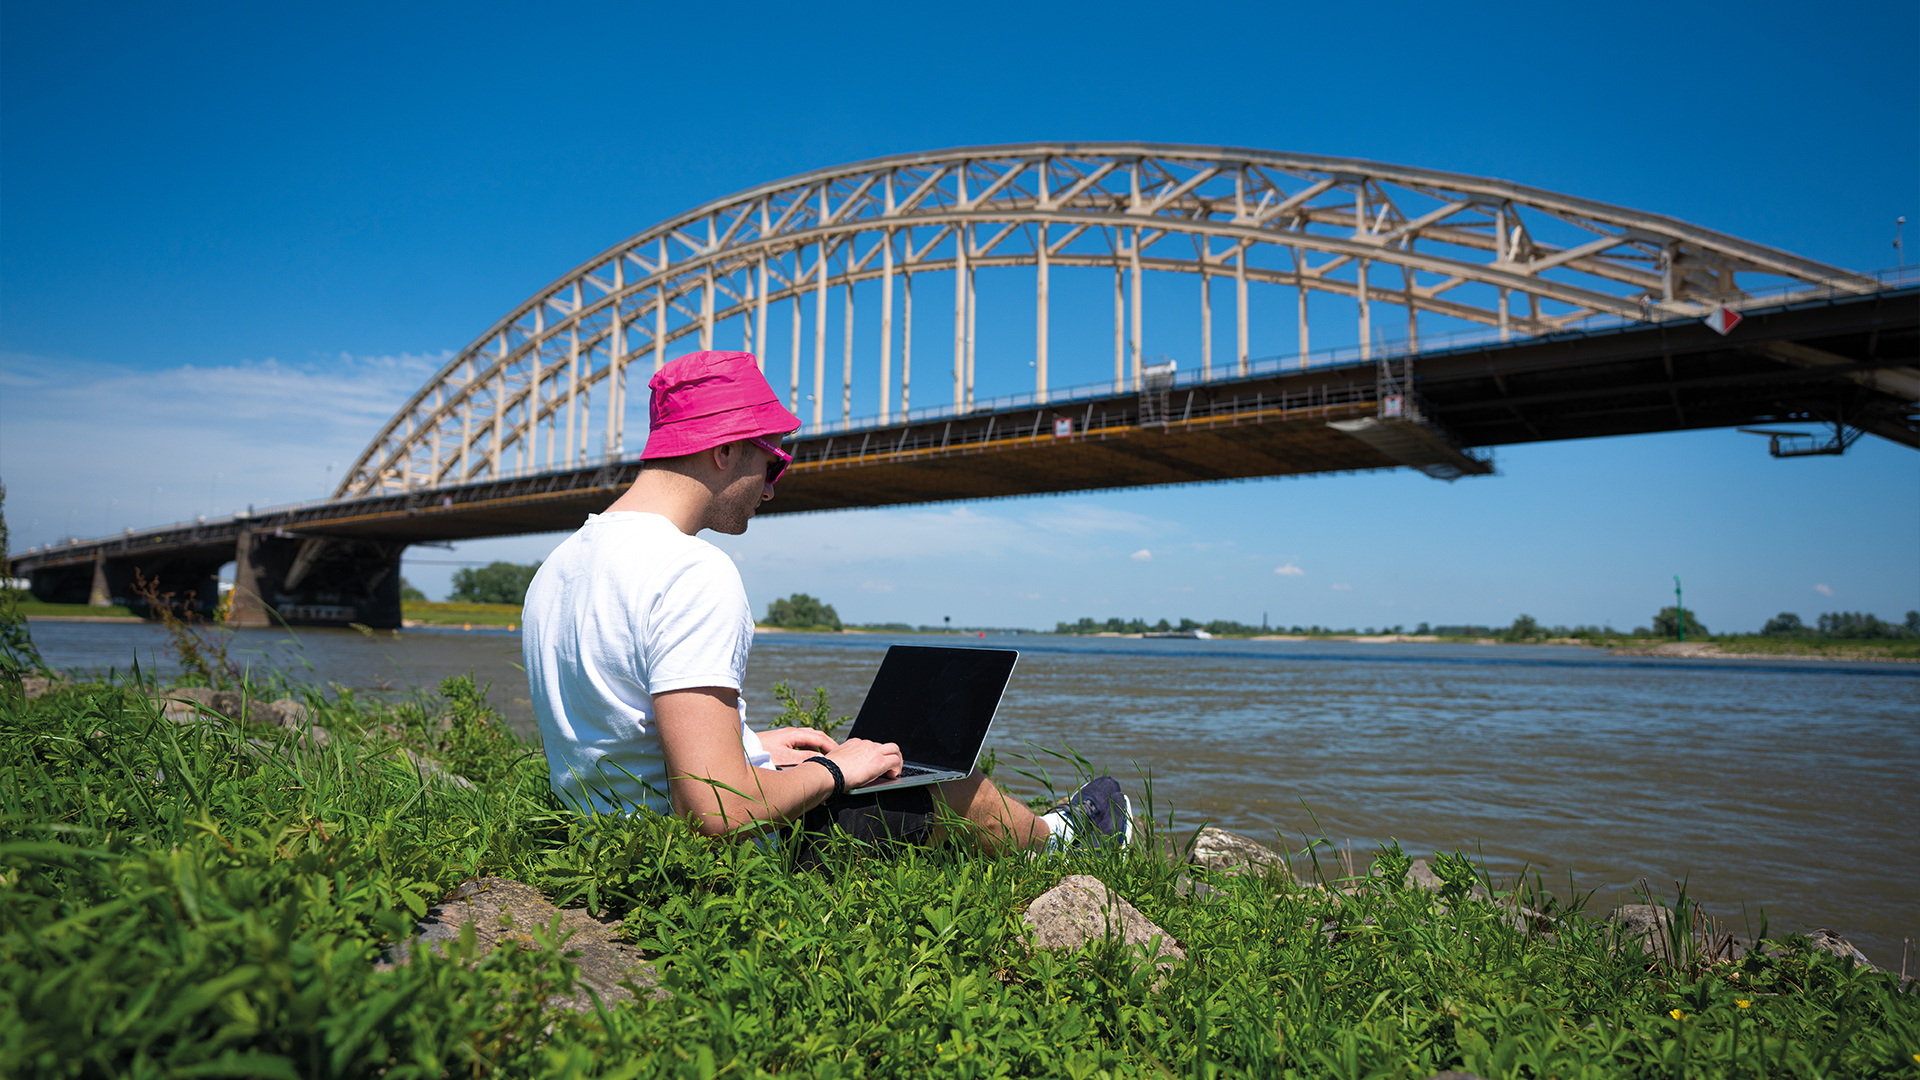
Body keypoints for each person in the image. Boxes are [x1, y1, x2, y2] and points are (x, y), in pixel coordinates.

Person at [522, 350, 1130, 855]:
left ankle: (1047, 834)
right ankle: (1059, 844)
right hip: (714, 860)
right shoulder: (691, 573)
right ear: (725, 449)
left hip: (608, 840)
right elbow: (714, 810)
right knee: (931, 775)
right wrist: (835, 773)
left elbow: (618, 727)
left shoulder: (562, 564)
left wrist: (755, 746)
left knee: (865, 756)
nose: (771, 487)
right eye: (773, 460)